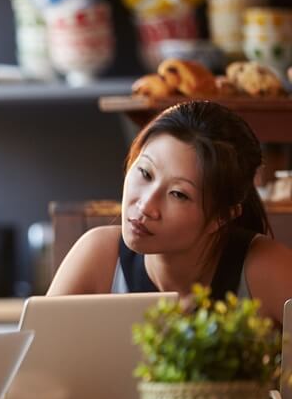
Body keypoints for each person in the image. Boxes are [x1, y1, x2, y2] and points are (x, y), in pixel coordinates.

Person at [48, 100, 292, 324]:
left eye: (178, 194)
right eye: (145, 173)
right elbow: (32, 366)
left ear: (222, 216)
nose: (145, 206)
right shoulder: (99, 257)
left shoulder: (268, 271)